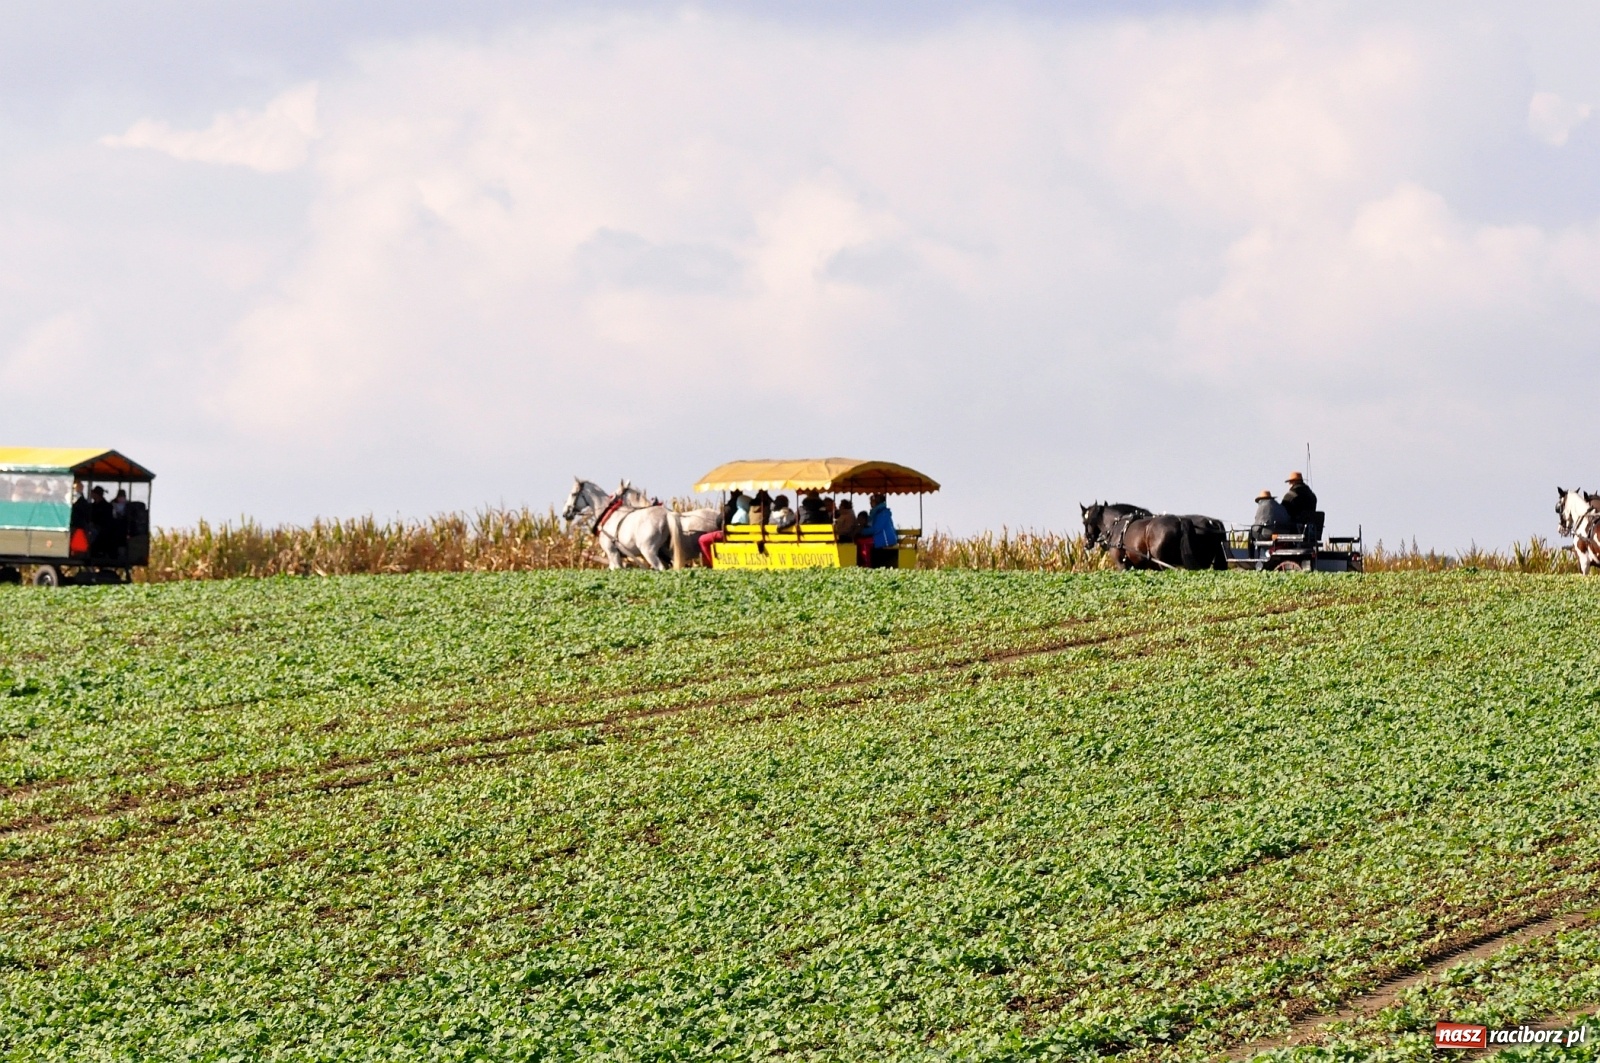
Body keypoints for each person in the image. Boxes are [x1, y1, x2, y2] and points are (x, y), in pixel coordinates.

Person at [867, 493, 898, 567]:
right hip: (879, 540)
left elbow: (876, 528)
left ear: (876, 502)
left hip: (886, 541)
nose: (870, 503)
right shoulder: (875, 513)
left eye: (872, 501)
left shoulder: (882, 513)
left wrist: (862, 531)